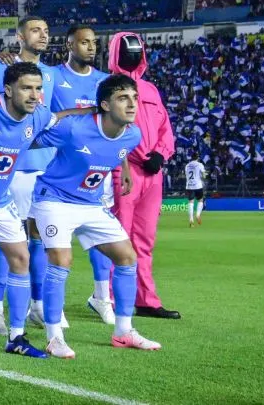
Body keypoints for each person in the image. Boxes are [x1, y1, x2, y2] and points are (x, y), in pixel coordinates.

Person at [0, 62, 88, 361]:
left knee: (21, 259)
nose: (35, 95)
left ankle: (16, 336)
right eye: (27, 88)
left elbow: (60, 117)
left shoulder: (38, 115)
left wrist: (92, 112)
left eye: (38, 88)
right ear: (8, 90)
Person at [31, 74, 162, 358]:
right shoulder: (75, 128)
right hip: (54, 198)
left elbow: (118, 150)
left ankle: (123, 331)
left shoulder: (133, 134)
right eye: (123, 98)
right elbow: (32, 138)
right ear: (104, 104)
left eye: (134, 98)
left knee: (127, 256)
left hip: (90, 203)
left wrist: (125, 169)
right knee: (61, 260)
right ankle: (54, 336)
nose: (132, 104)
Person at [0, 16, 61, 333]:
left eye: (45, 30)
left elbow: (52, 118)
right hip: (9, 165)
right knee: (7, 238)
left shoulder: (51, 75)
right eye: (35, 30)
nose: (43, 34)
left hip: (44, 166)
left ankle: (37, 307)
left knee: (40, 239)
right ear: (19, 36)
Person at [108, 32, 179, 319]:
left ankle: (146, 299)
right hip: (123, 168)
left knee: (145, 238)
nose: (133, 55)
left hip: (153, 172)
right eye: (128, 50)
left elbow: (166, 127)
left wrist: (161, 154)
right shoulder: (107, 86)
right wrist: (141, 156)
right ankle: (113, 300)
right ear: (116, 52)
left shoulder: (150, 90)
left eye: (138, 50)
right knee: (119, 236)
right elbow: (112, 128)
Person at [50, 25, 116, 325]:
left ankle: (102, 297)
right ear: (69, 44)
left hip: (96, 170)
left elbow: (116, 129)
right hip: (58, 170)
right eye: (84, 42)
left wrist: (123, 165)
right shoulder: (52, 77)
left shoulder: (105, 82)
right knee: (53, 241)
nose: (91, 47)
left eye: (94, 42)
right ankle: (50, 303)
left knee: (98, 236)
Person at [184, 155, 206, 227]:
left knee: (191, 201)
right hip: (198, 185)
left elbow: (186, 175)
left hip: (189, 185)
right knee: (200, 200)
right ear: (198, 158)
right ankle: (198, 214)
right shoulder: (200, 164)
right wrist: (204, 176)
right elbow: (204, 175)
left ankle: (191, 220)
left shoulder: (187, 165)